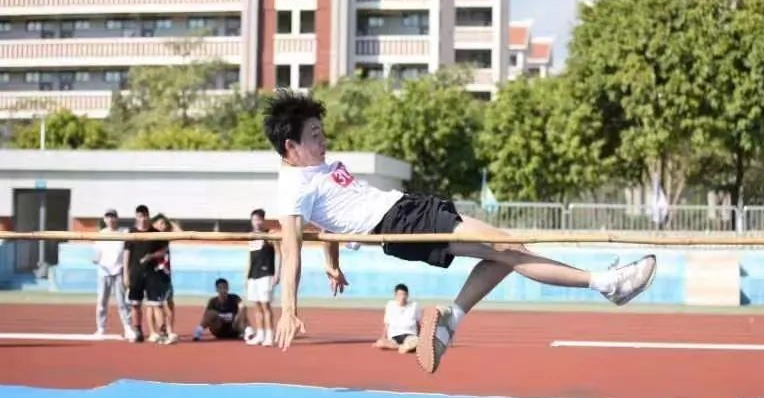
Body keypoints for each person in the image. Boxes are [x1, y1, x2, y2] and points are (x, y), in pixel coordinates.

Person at [264, 90, 658, 374]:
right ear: (290, 145)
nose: (324, 141)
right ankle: (607, 283)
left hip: (407, 209)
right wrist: (290, 311)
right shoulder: (292, 188)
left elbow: (326, 224)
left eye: (322, 132)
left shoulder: (313, 168)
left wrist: (332, 263)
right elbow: (292, 249)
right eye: (315, 135)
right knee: (509, 248)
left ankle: (452, 319)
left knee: (506, 253)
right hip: (400, 224)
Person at [123, 205, 177, 344]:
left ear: (148, 216)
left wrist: (151, 256)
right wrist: (125, 274)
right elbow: (126, 253)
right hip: (135, 273)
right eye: (140, 216)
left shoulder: (156, 233)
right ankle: (138, 331)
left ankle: (162, 333)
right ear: (136, 217)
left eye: (145, 216)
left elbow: (164, 250)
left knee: (156, 304)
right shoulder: (131, 233)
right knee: (135, 304)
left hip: (152, 274)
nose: (142, 219)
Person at [92, 208, 136, 341]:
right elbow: (97, 253)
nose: (110, 219)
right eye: (108, 217)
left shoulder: (124, 232)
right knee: (101, 301)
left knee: (122, 302)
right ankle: (101, 328)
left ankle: (128, 327)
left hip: (119, 271)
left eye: (113, 216)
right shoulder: (101, 234)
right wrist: (96, 259)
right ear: (104, 219)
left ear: (117, 218)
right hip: (104, 271)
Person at [244, 209, 280, 346]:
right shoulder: (251, 236)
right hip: (253, 275)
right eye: (254, 220)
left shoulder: (270, 235)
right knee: (256, 306)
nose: (256, 222)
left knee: (266, 306)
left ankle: (269, 336)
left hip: (266, 274)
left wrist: (277, 273)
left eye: (259, 219)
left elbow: (279, 254)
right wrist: (246, 277)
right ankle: (260, 334)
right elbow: (249, 258)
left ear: (263, 220)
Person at [373, 284, 421, 354]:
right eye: (400, 295)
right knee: (380, 343)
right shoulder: (390, 305)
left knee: (417, 341)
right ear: (395, 295)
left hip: (410, 336)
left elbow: (418, 323)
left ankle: (407, 346)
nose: (402, 297)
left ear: (407, 295)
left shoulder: (414, 305)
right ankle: (402, 347)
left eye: (404, 294)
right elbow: (387, 324)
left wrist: (420, 336)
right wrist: (383, 338)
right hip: (394, 337)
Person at [151, 213, 179, 336]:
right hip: (152, 275)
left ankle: (169, 329)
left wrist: (170, 222)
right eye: (160, 223)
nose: (163, 226)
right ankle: (155, 331)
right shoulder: (149, 236)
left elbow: (180, 233)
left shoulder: (166, 237)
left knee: (169, 302)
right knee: (153, 304)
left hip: (166, 275)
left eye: (164, 224)